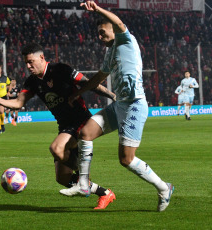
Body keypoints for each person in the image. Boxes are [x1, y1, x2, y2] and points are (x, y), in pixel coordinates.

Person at [60, 1, 174, 212]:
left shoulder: (127, 40)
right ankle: (83, 185)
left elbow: (120, 22)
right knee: (85, 133)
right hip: (119, 104)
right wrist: (77, 93)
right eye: (99, 34)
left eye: (103, 33)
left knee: (126, 159)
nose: (100, 37)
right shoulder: (110, 52)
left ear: (114, 31)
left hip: (134, 106)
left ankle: (163, 187)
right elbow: (98, 79)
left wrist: (98, 9)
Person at [0, 42, 117, 209]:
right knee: (62, 178)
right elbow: (19, 102)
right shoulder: (32, 82)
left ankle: (83, 176)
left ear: (41, 57)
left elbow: (89, 83)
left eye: (30, 62)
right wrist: (1, 101)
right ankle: (105, 193)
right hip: (64, 126)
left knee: (56, 148)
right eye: (26, 63)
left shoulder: (61, 70)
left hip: (81, 120)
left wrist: (113, 96)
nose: (28, 66)